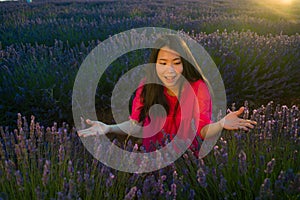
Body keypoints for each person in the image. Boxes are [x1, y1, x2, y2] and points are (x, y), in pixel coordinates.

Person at [78, 34, 256, 155]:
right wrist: (108, 128)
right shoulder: (147, 85)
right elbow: (136, 124)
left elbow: (202, 129)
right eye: (162, 62)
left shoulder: (198, 88)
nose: (169, 70)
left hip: (188, 161)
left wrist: (222, 123)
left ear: (184, 64)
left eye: (176, 63)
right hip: (152, 157)